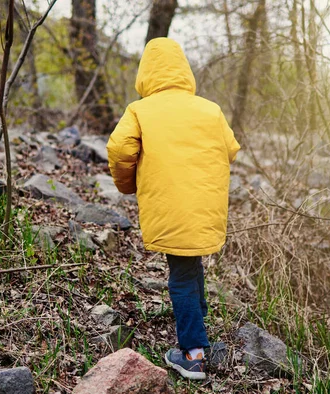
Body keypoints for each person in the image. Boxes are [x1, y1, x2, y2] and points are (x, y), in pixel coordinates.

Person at [106, 37, 240, 380]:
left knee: (180, 275)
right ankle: (198, 325)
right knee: (190, 265)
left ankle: (192, 355)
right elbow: (231, 149)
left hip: (169, 207)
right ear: (184, 70)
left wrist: (128, 185)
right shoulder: (210, 109)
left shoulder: (140, 110)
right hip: (204, 205)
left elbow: (120, 150)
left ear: (145, 72)